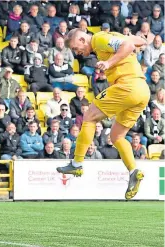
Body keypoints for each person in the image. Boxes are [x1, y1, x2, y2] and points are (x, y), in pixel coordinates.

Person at [57, 29, 150, 200]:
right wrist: (129, 41)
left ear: (83, 39)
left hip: (127, 86)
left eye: (76, 48)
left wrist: (109, 63)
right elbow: (139, 42)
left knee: (89, 117)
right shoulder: (110, 39)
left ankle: (76, 163)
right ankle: (133, 171)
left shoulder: (99, 39)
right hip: (142, 91)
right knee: (116, 136)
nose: (77, 53)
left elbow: (128, 45)